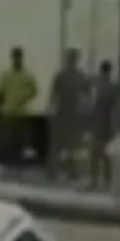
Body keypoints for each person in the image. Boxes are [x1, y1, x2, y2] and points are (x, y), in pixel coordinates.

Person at [0, 47, 38, 174]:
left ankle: (18, 167)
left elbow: (34, 91)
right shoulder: (6, 75)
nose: (16, 59)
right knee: (7, 141)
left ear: (21, 58)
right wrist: (1, 107)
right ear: (12, 58)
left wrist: (23, 98)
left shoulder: (27, 75)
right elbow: (0, 93)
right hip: (8, 112)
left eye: (18, 57)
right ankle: (7, 166)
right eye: (15, 57)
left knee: (20, 141)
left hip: (22, 113)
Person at [49, 48, 89, 181]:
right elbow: (54, 95)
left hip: (72, 114)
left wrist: (84, 112)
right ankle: (54, 171)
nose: (71, 60)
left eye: (73, 58)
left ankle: (70, 171)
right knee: (59, 144)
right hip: (64, 113)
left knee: (70, 146)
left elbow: (85, 96)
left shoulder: (77, 76)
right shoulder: (64, 75)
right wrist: (51, 110)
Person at [88, 61, 119, 190]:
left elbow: (91, 106)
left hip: (97, 124)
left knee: (95, 155)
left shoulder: (97, 86)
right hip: (108, 124)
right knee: (106, 155)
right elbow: (116, 108)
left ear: (101, 70)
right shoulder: (113, 87)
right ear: (110, 71)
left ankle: (94, 182)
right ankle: (107, 181)